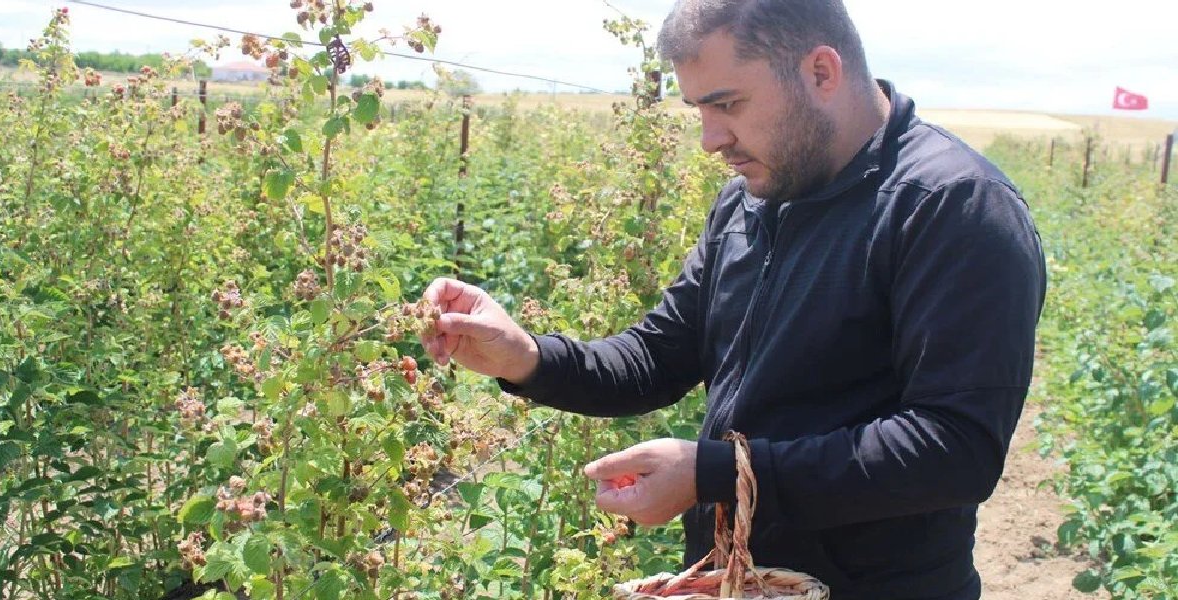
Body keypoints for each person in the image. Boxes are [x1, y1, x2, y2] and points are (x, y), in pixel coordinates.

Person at [419, 1, 1046, 598]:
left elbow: (955, 450)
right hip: (734, 580)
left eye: (728, 104)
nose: (710, 139)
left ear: (821, 72)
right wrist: (523, 357)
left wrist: (715, 473)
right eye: (699, 109)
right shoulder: (754, 200)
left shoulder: (950, 207)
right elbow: (658, 356)